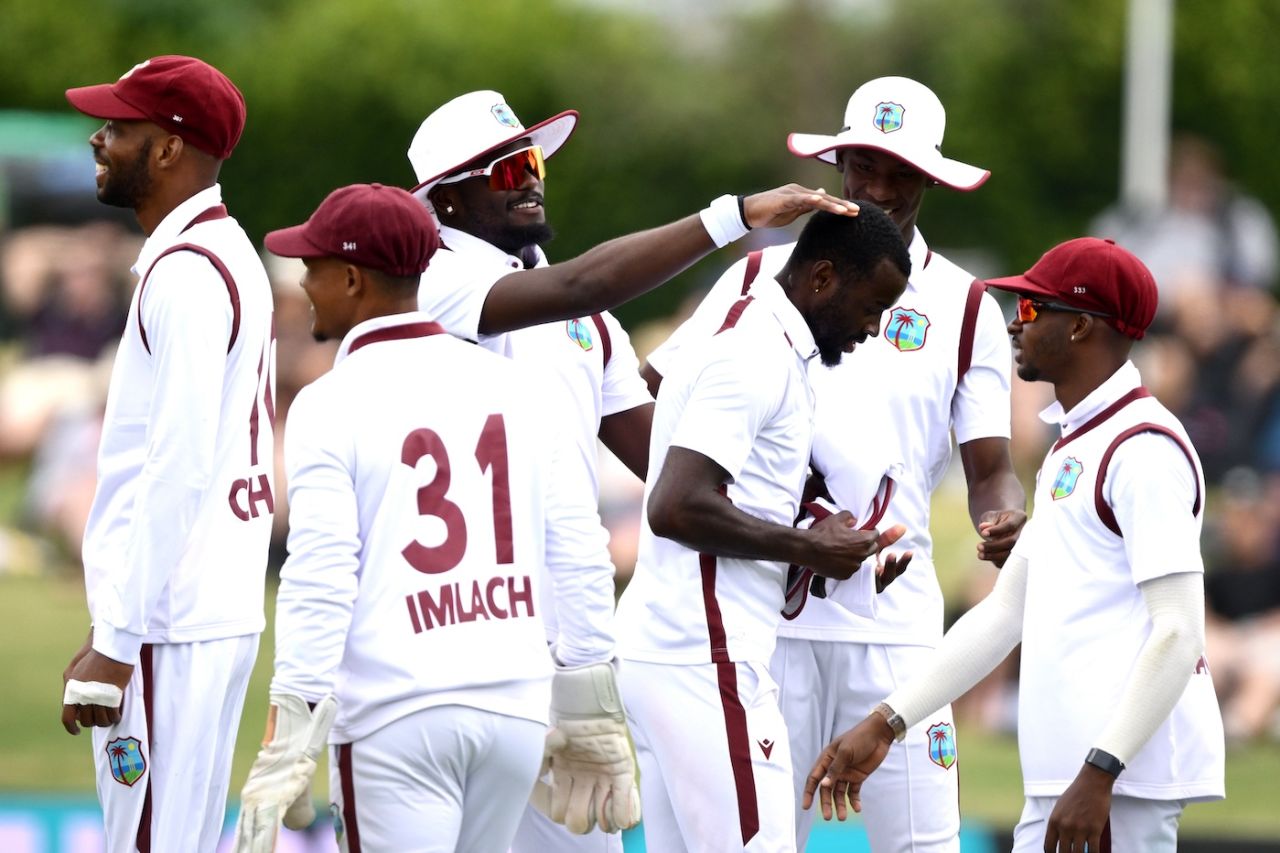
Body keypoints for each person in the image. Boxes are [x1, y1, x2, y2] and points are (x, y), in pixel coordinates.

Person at [406, 89, 856, 851]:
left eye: (534, 160)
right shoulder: (437, 279)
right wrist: (734, 217)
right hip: (461, 630)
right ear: (445, 199)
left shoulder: (583, 319)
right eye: (506, 168)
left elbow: (662, 455)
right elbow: (587, 282)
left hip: (565, 636)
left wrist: (805, 520)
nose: (530, 178)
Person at [643, 76, 1026, 851]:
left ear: (931, 178)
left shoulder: (967, 304)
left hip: (896, 625)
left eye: (900, 173)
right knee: (765, 837)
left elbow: (990, 464)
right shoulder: (759, 275)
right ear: (838, 162)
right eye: (862, 166)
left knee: (921, 842)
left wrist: (1001, 513)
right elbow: (663, 401)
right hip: (770, 619)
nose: (878, 189)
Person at [233, 183, 639, 853]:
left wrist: (293, 724)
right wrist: (590, 696)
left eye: (313, 266)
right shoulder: (518, 387)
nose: (304, 284)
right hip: (515, 710)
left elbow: (321, 577)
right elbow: (579, 547)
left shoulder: (329, 401)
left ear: (353, 278)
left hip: (396, 717)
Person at [807, 237, 1226, 853]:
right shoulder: (1073, 445)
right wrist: (885, 723)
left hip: (1114, 784)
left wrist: (1101, 771)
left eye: (1033, 309)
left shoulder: (1143, 447)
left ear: (1081, 326)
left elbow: (1178, 631)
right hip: (1070, 778)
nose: (1013, 323)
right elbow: (1006, 613)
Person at [615, 205, 913, 853]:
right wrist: (811, 546)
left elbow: (731, 494)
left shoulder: (773, 346)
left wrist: (821, 531)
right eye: (872, 304)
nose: (875, 325)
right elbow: (676, 505)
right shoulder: (754, 354)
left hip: (678, 646)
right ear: (824, 277)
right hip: (706, 651)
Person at [57, 56, 276, 852]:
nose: (99, 138)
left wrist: (117, 641)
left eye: (118, 126)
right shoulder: (221, 252)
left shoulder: (187, 272)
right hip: (199, 607)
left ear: (168, 150)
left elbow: (178, 467)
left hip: (166, 620)